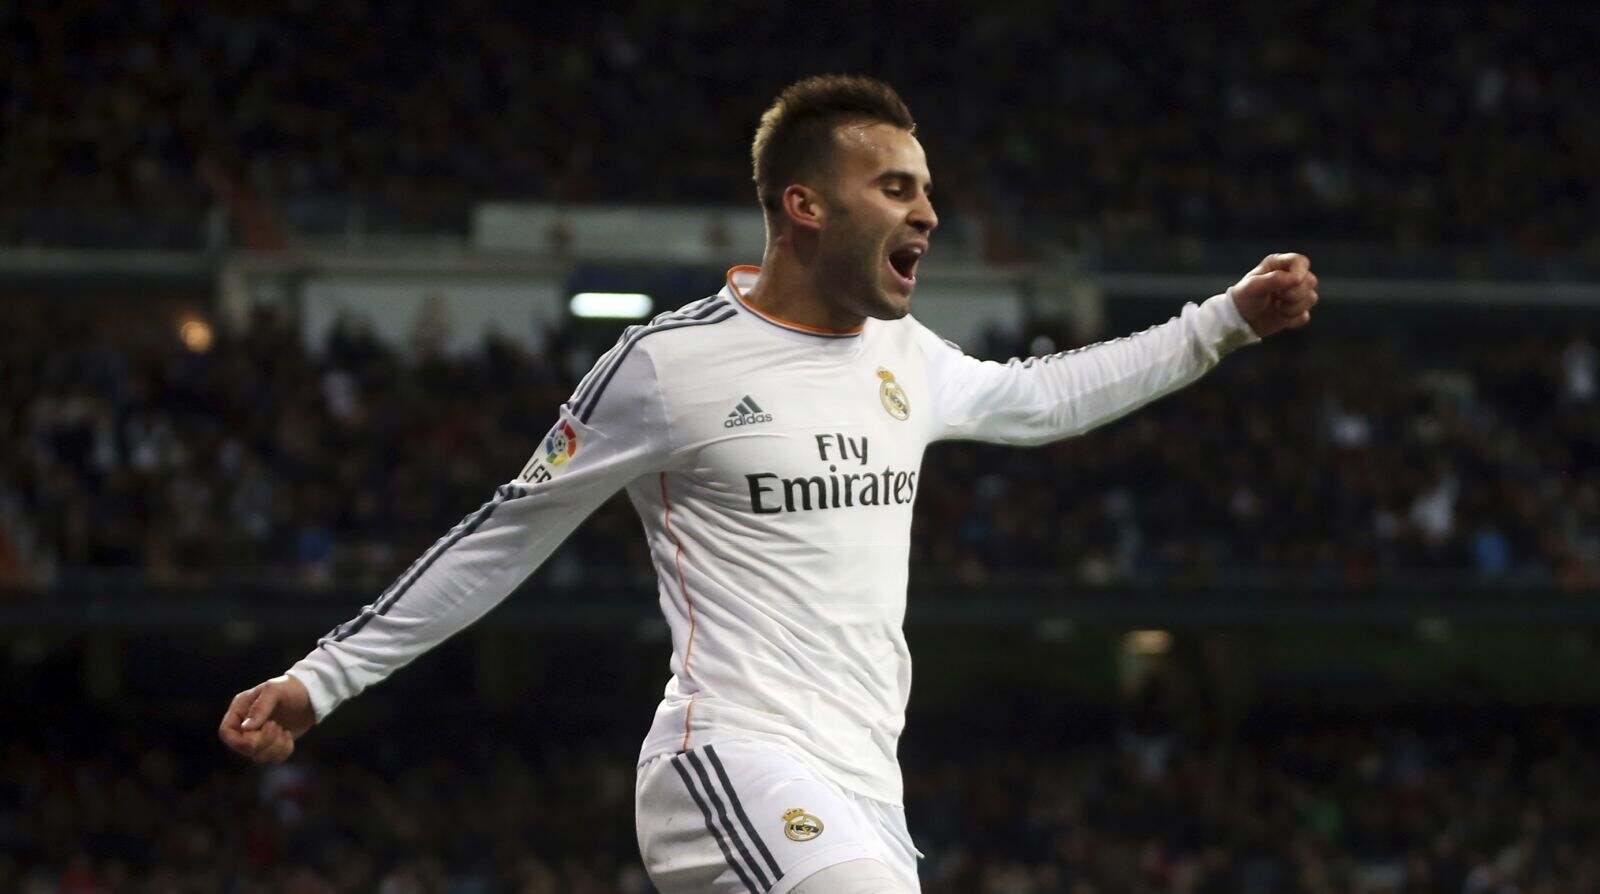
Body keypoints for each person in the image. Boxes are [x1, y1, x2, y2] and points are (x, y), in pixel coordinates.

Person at [219, 75, 1318, 893]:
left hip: (866, 789)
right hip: (726, 757)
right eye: (895, 187)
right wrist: (323, 679)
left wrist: (1220, 324)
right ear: (805, 206)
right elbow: (506, 532)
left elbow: (1044, 396)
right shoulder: (668, 365)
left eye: (927, 190)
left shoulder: (905, 357)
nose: (927, 213)